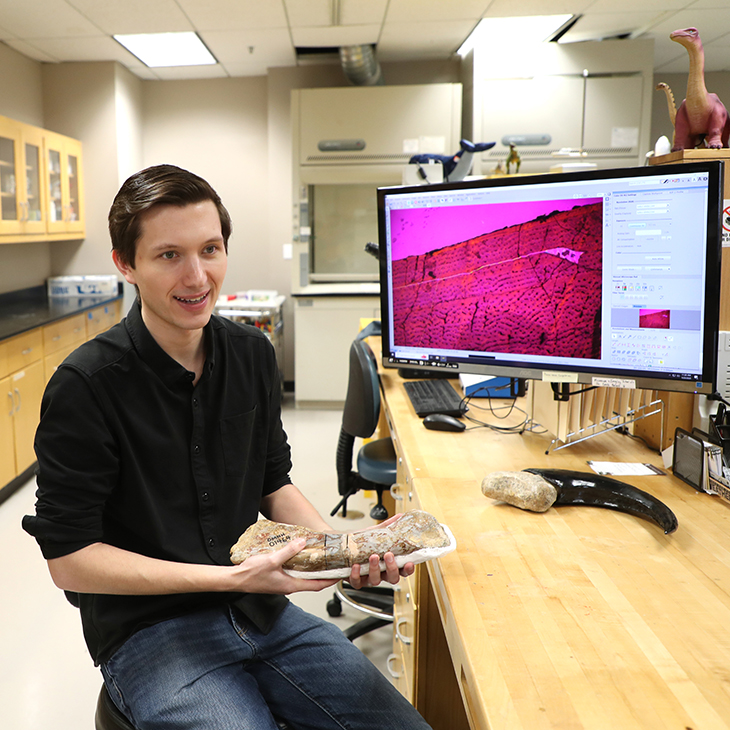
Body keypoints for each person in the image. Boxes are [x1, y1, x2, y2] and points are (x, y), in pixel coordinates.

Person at [22, 164, 432, 730]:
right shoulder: (87, 385)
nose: (197, 276)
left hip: (260, 611)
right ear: (126, 264)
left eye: (210, 249)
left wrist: (342, 551)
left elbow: (274, 482)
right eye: (169, 255)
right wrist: (230, 579)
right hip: (151, 631)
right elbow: (69, 561)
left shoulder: (252, 354)